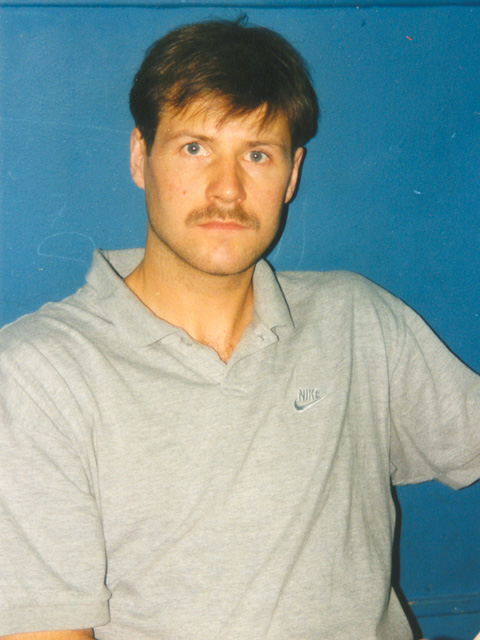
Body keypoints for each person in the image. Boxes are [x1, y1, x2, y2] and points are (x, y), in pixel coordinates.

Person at [0, 17, 479, 640]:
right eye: (195, 148)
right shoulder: (37, 374)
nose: (227, 190)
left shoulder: (357, 321)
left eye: (257, 155)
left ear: (292, 174)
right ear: (141, 156)